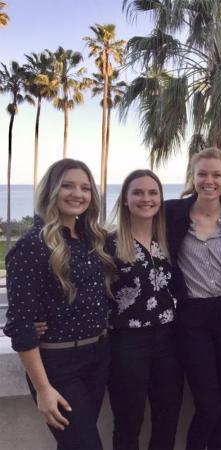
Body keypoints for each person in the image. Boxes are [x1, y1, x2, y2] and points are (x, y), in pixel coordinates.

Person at [4, 159, 114, 450]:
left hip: (98, 357)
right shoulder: (32, 245)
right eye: (68, 185)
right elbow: (20, 324)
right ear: (51, 190)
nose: (78, 194)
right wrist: (42, 389)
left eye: (85, 188)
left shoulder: (92, 239)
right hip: (59, 366)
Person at [165, 147, 221, 450]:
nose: (209, 180)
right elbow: (130, 229)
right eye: (202, 174)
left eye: (216, 175)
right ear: (193, 177)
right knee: (208, 404)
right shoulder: (172, 213)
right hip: (191, 318)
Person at [106, 170, 183, 449]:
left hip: (168, 340)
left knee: (167, 418)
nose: (146, 198)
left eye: (152, 193)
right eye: (137, 192)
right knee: (128, 421)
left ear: (161, 199)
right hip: (126, 343)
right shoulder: (109, 243)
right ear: (126, 199)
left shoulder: (167, 240)